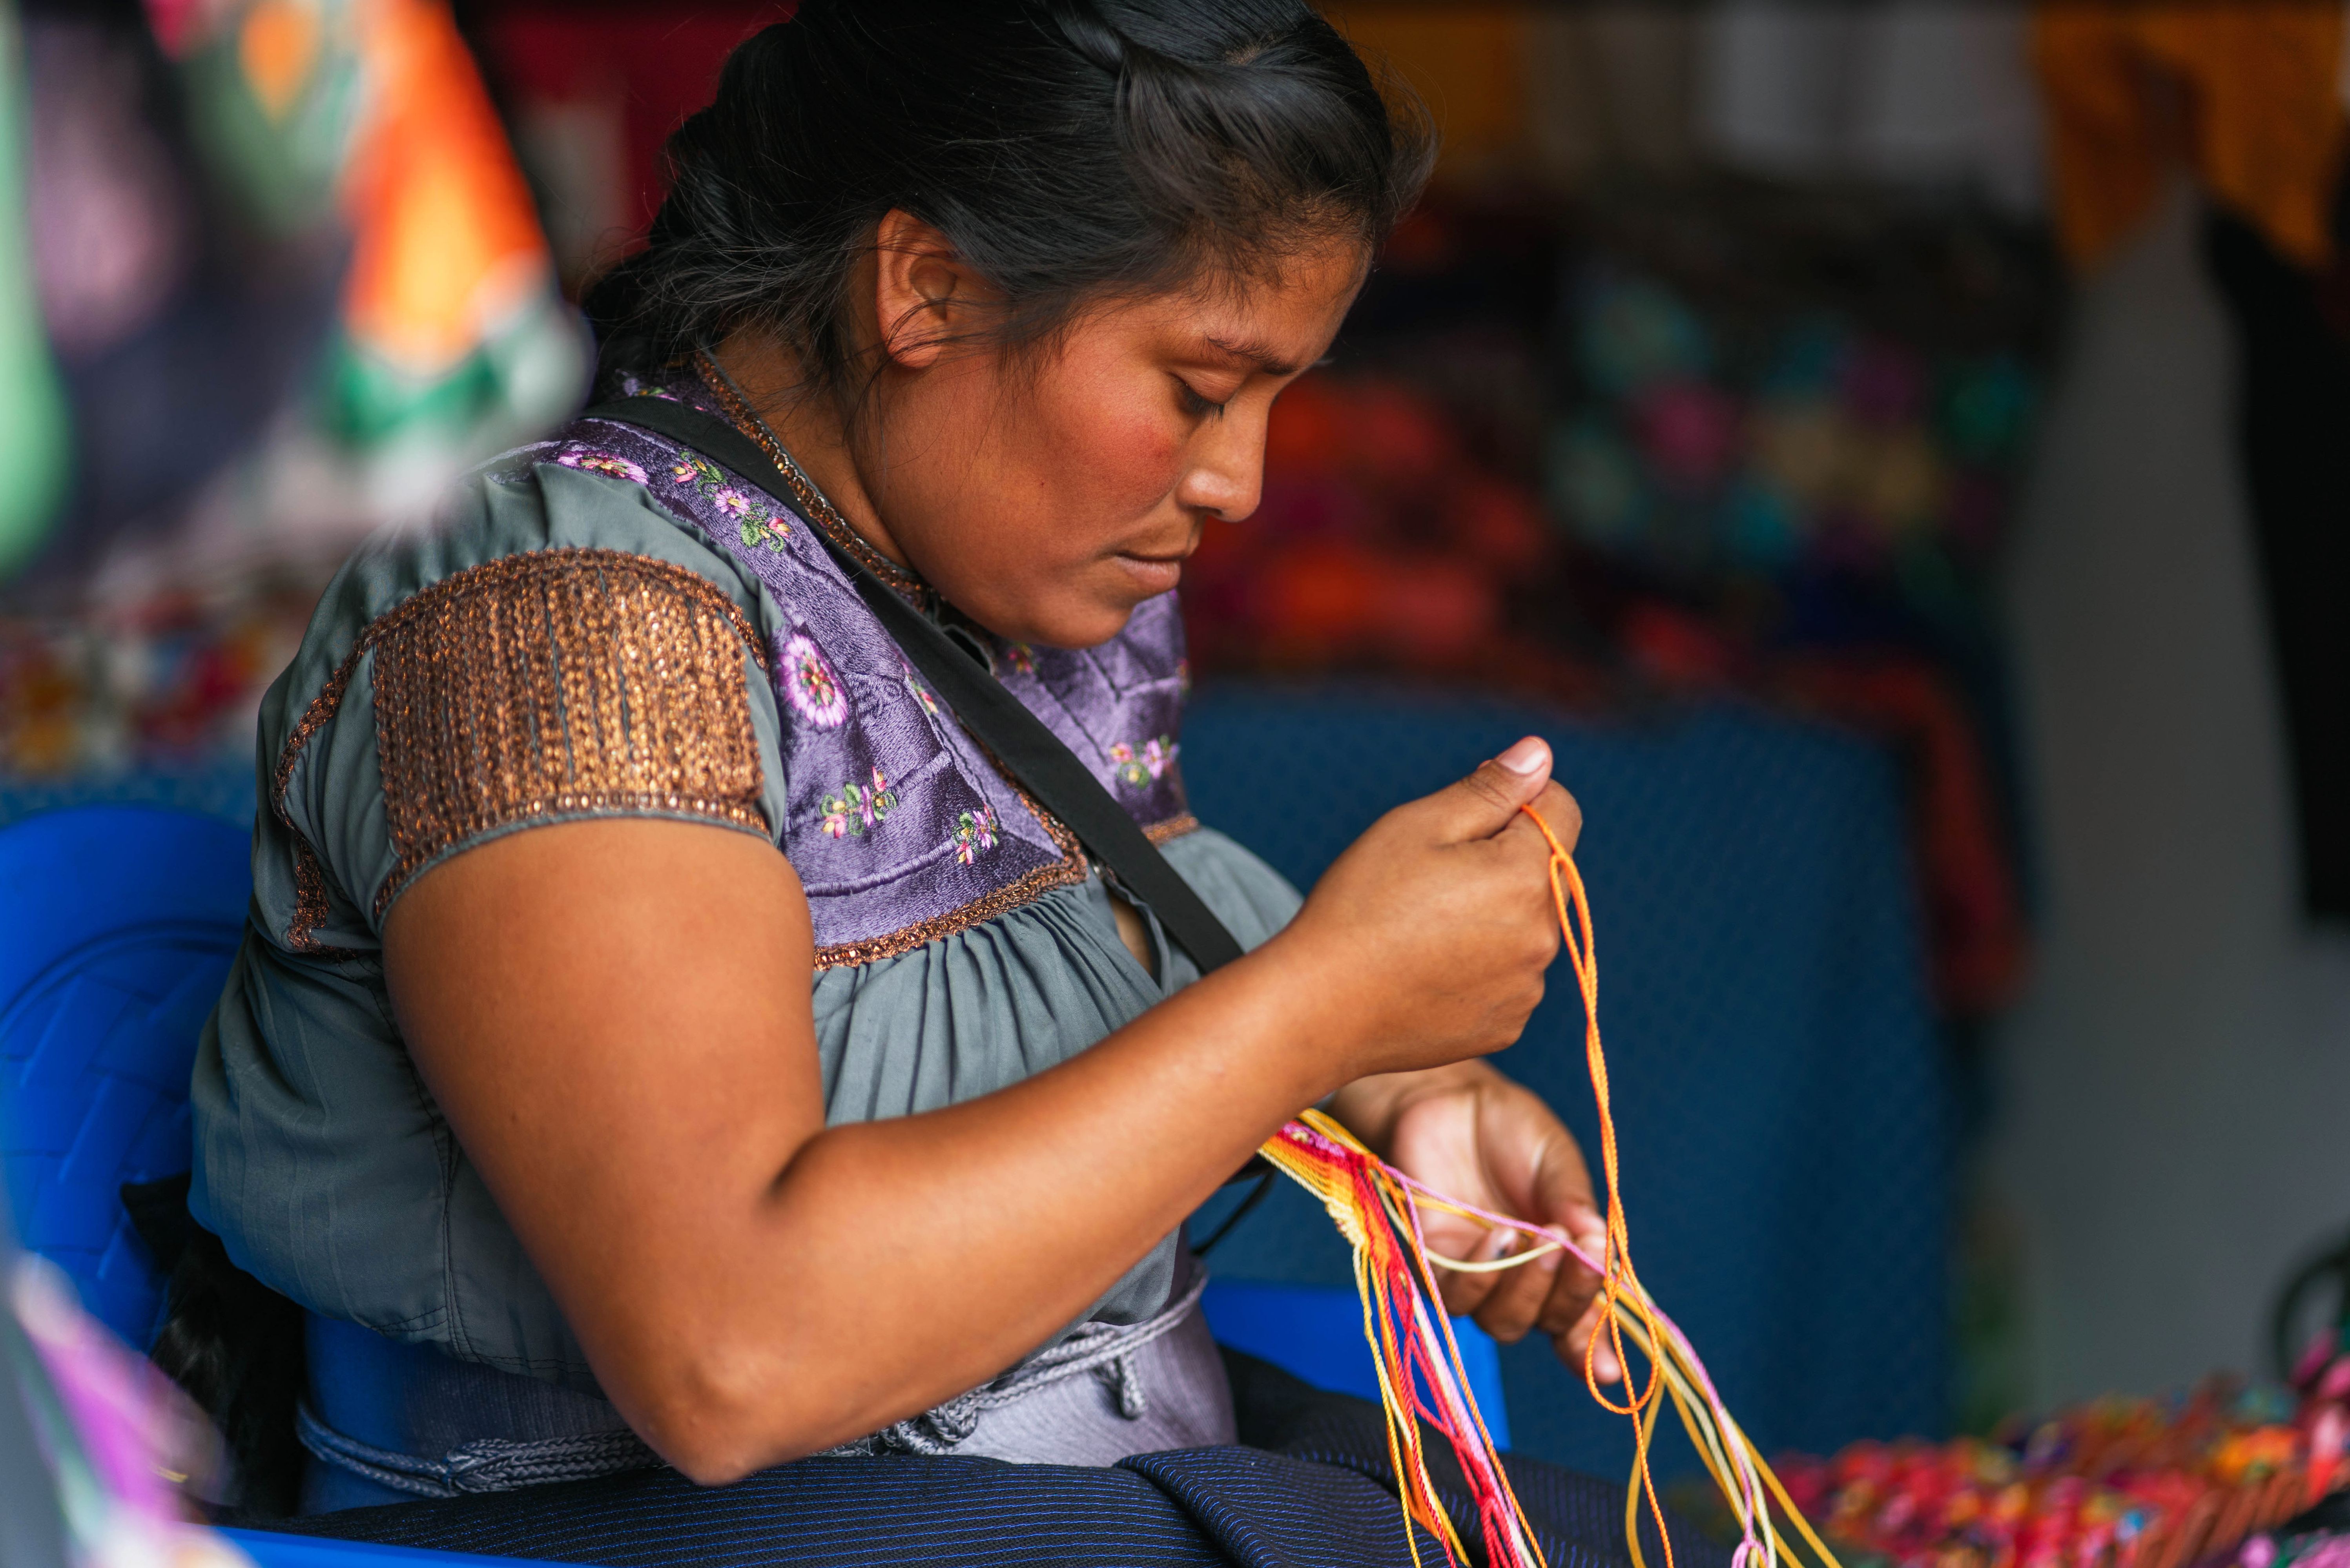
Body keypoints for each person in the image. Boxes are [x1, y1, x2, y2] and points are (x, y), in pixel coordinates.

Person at [183, 4, 1677, 1563]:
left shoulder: (1019, 588)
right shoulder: (561, 619)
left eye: (1273, 398)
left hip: (1070, 1474)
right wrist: (1330, 1005)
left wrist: (1409, 1094)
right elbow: (730, 1352)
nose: (1237, 481)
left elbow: (1125, 941)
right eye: (1197, 386)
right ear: (929, 289)